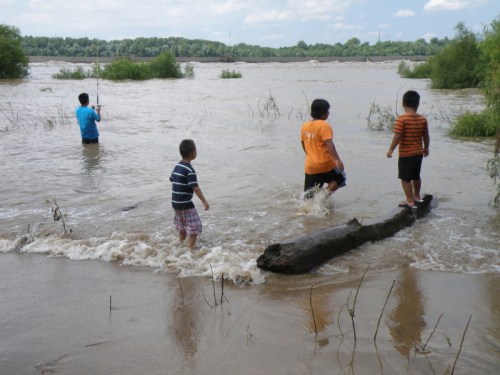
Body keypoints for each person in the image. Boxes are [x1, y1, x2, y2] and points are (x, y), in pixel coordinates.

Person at [387, 90, 430, 208]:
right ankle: (417, 196)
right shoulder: (422, 119)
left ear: (403, 104)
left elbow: (398, 135)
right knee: (416, 176)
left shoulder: (402, 119)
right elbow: (426, 135)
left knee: (405, 178)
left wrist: (391, 149)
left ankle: (410, 200)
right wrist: (426, 148)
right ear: (418, 104)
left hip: (406, 154)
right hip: (418, 153)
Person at [300, 98, 345, 198]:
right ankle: (322, 197)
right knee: (341, 178)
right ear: (323, 113)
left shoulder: (305, 125)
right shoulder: (324, 126)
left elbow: (303, 143)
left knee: (308, 196)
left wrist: (309, 155)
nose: (329, 113)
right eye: (328, 111)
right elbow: (329, 143)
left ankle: (306, 210)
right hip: (325, 164)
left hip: (310, 166)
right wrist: (337, 160)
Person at [170, 139, 209, 249]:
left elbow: (172, 178)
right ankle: (189, 251)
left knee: (182, 226)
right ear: (193, 152)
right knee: (194, 227)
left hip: (175, 203)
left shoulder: (177, 166)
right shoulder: (190, 170)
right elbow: (195, 188)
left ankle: (180, 245)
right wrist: (204, 202)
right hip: (186, 203)